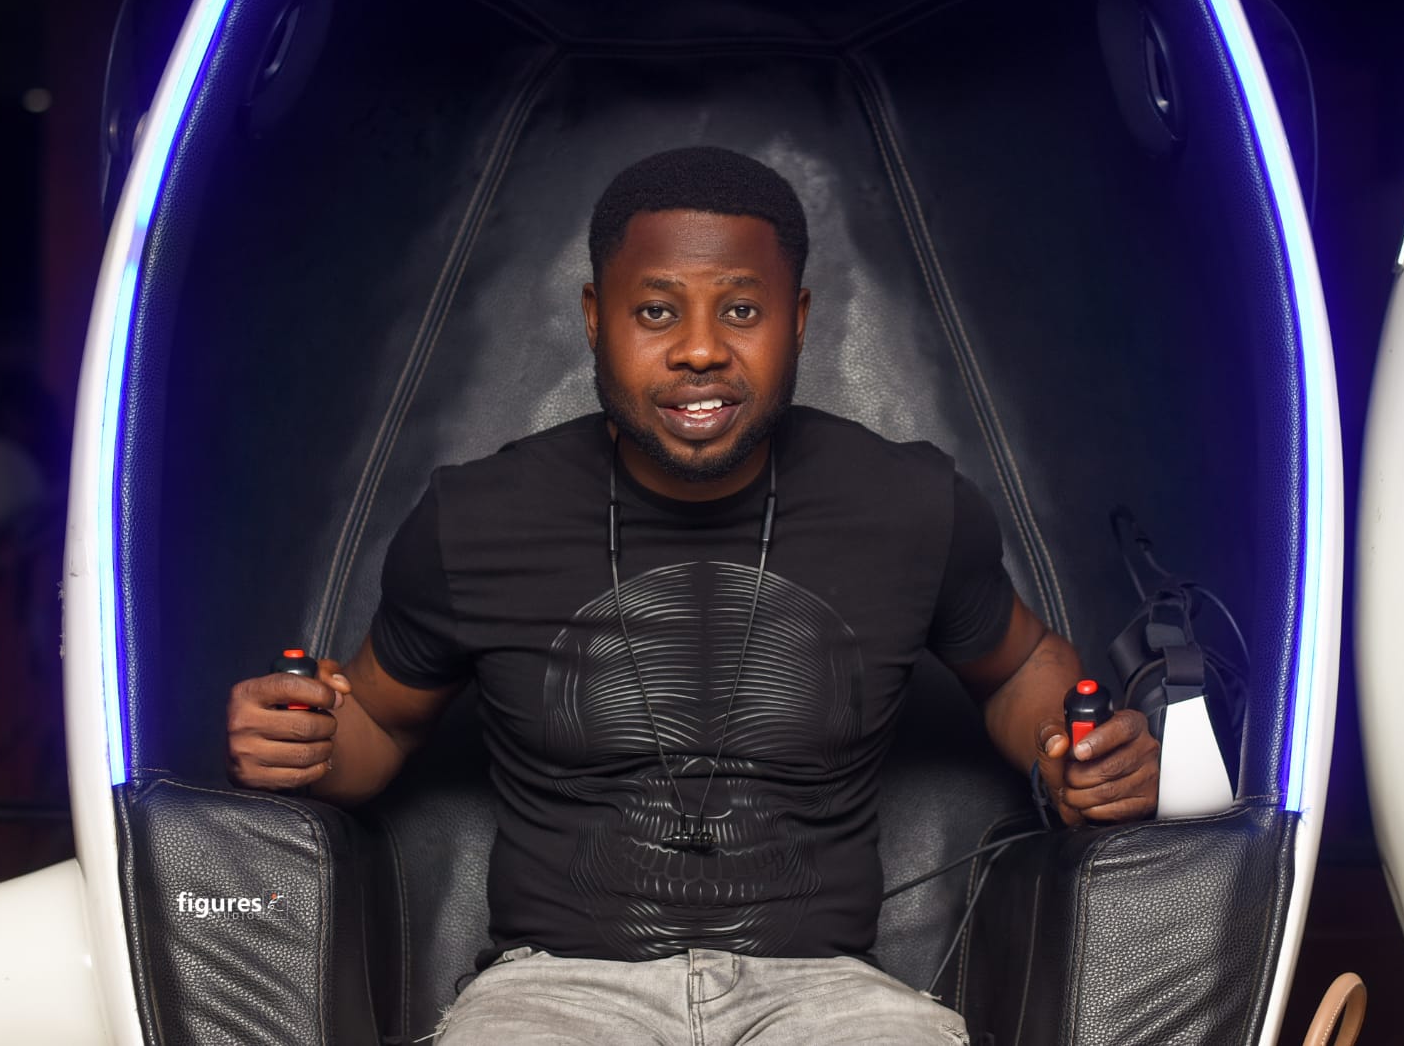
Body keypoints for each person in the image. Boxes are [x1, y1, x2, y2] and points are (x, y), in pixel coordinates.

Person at [226, 146, 1162, 1044]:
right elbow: (377, 721)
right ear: (596, 317)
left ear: (799, 318)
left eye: (742, 310)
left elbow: (1021, 666)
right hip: (555, 990)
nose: (702, 350)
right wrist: (302, 742)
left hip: (829, 994)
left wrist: (1070, 753)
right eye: (657, 312)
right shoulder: (475, 518)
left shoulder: (912, 505)